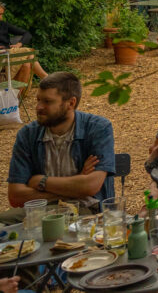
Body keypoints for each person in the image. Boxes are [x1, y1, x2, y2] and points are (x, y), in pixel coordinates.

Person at [3, 72, 115, 222]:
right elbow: (16, 196)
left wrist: (41, 181)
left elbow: (90, 186)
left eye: (47, 102)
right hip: (38, 210)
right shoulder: (28, 134)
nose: (38, 107)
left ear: (71, 103)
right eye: (38, 100)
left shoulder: (98, 128)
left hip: (83, 210)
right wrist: (76, 185)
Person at [0, 0, 47, 84]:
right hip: (2, 57)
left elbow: (27, 34)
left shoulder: (3, 25)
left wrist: (19, 44)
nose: (1, 17)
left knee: (27, 64)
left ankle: (19, 96)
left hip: (8, 54)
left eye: (1, 14)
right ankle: (46, 78)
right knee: (29, 53)